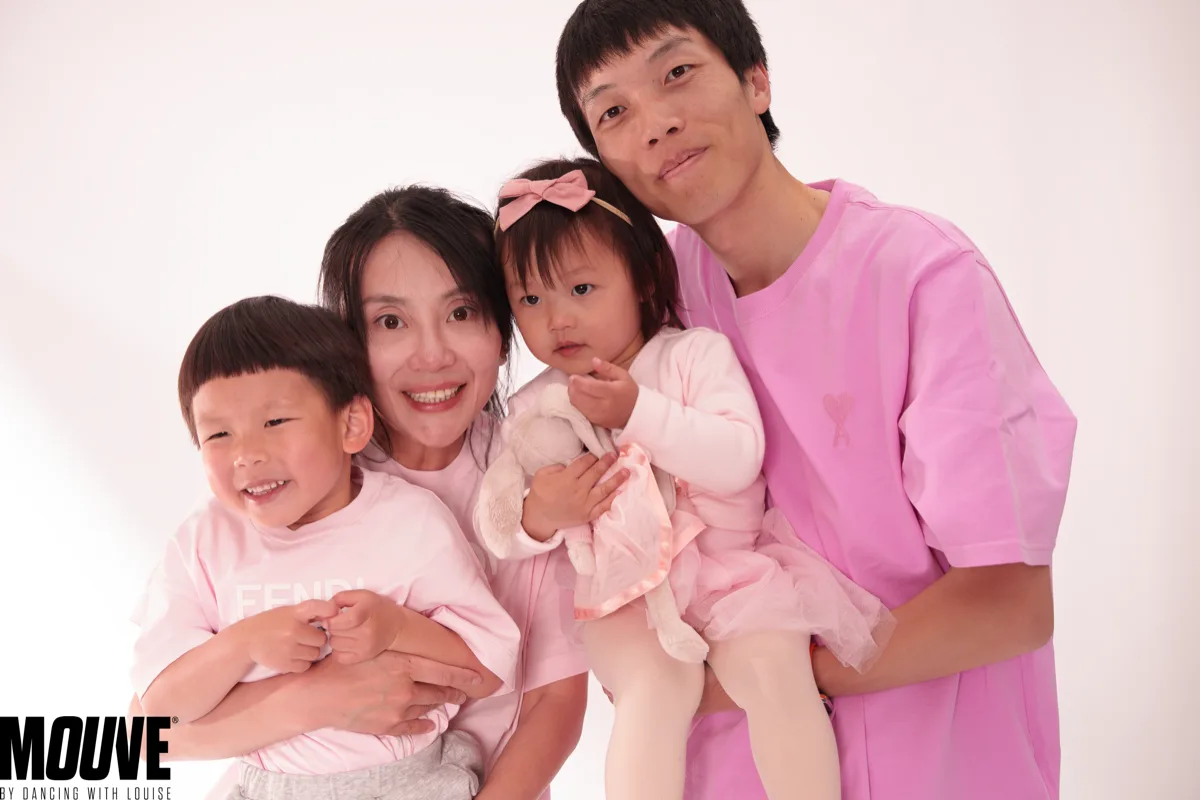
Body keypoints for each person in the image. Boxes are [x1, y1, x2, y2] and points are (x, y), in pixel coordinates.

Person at [553, 2, 1079, 799]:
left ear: (756, 80)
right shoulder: (648, 298)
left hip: (939, 763)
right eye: (615, 111)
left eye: (677, 73)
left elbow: (1008, 603)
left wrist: (776, 679)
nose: (655, 123)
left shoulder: (921, 277)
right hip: (731, 770)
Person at [127, 188, 591, 800]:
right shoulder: (289, 484)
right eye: (390, 321)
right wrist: (312, 699)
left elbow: (555, 701)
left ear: (503, 331)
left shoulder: (540, 477)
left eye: (461, 313)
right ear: (349, 345)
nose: (431, 354)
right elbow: (148, 733)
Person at [481, 157, 893, 800]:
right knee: (656, 686)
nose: (556, 318)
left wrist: (637, 411)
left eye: (581, 290)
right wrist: (541, 513)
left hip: (732, 574)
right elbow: (499, 521)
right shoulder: (538, 402)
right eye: (530, 300)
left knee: (776, 667)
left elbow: (738, 457)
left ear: (644, 279)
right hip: (624, 595)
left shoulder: (692, 355)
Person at [132, 295, 519, 799]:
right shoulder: (205, 543)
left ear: (351, 424)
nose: (247, 454)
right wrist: (242, 643)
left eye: (275, 422)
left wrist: (399, 627)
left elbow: (489, 671)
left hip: (407, 785)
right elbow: (157, 716)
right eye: (219, 434)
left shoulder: (408, 522)